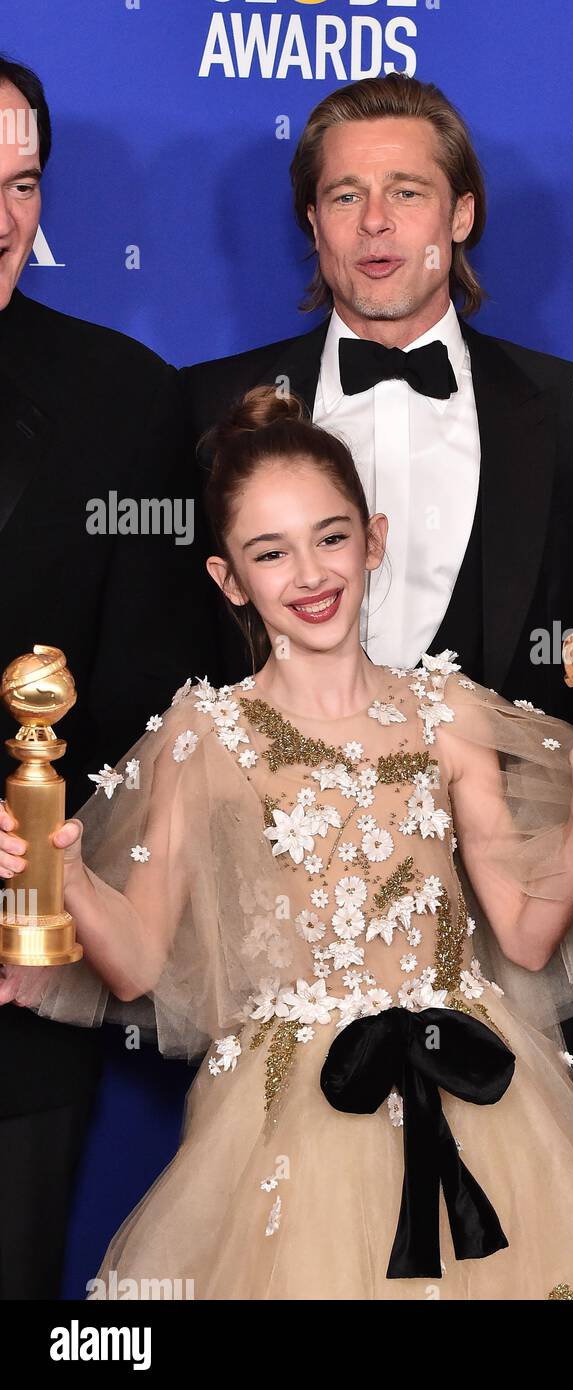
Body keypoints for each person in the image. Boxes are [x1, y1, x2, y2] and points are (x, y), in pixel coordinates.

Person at [0, 386, 573, 1300]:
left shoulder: (447, 713)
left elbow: (528, 939)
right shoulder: (206, 734)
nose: (309, 574)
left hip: (480, 1089)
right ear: (228, 580)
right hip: (288, 1108)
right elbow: (132, 964)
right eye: (269, 553)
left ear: (373, 539)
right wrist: (61, 869)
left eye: (329, 538)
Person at [182, 74, 573, 723]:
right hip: (266, 785)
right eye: (345, 196)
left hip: (512, 786)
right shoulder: (206, 404)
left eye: (406, 192)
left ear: (460, 215)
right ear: (313, 222)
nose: (374, 221)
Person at [0, 54, 218, 1299]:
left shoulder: (124, 398)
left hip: (18, 958)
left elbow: (151, 696)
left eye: (22, 183)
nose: (1, 219)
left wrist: (59, 906)